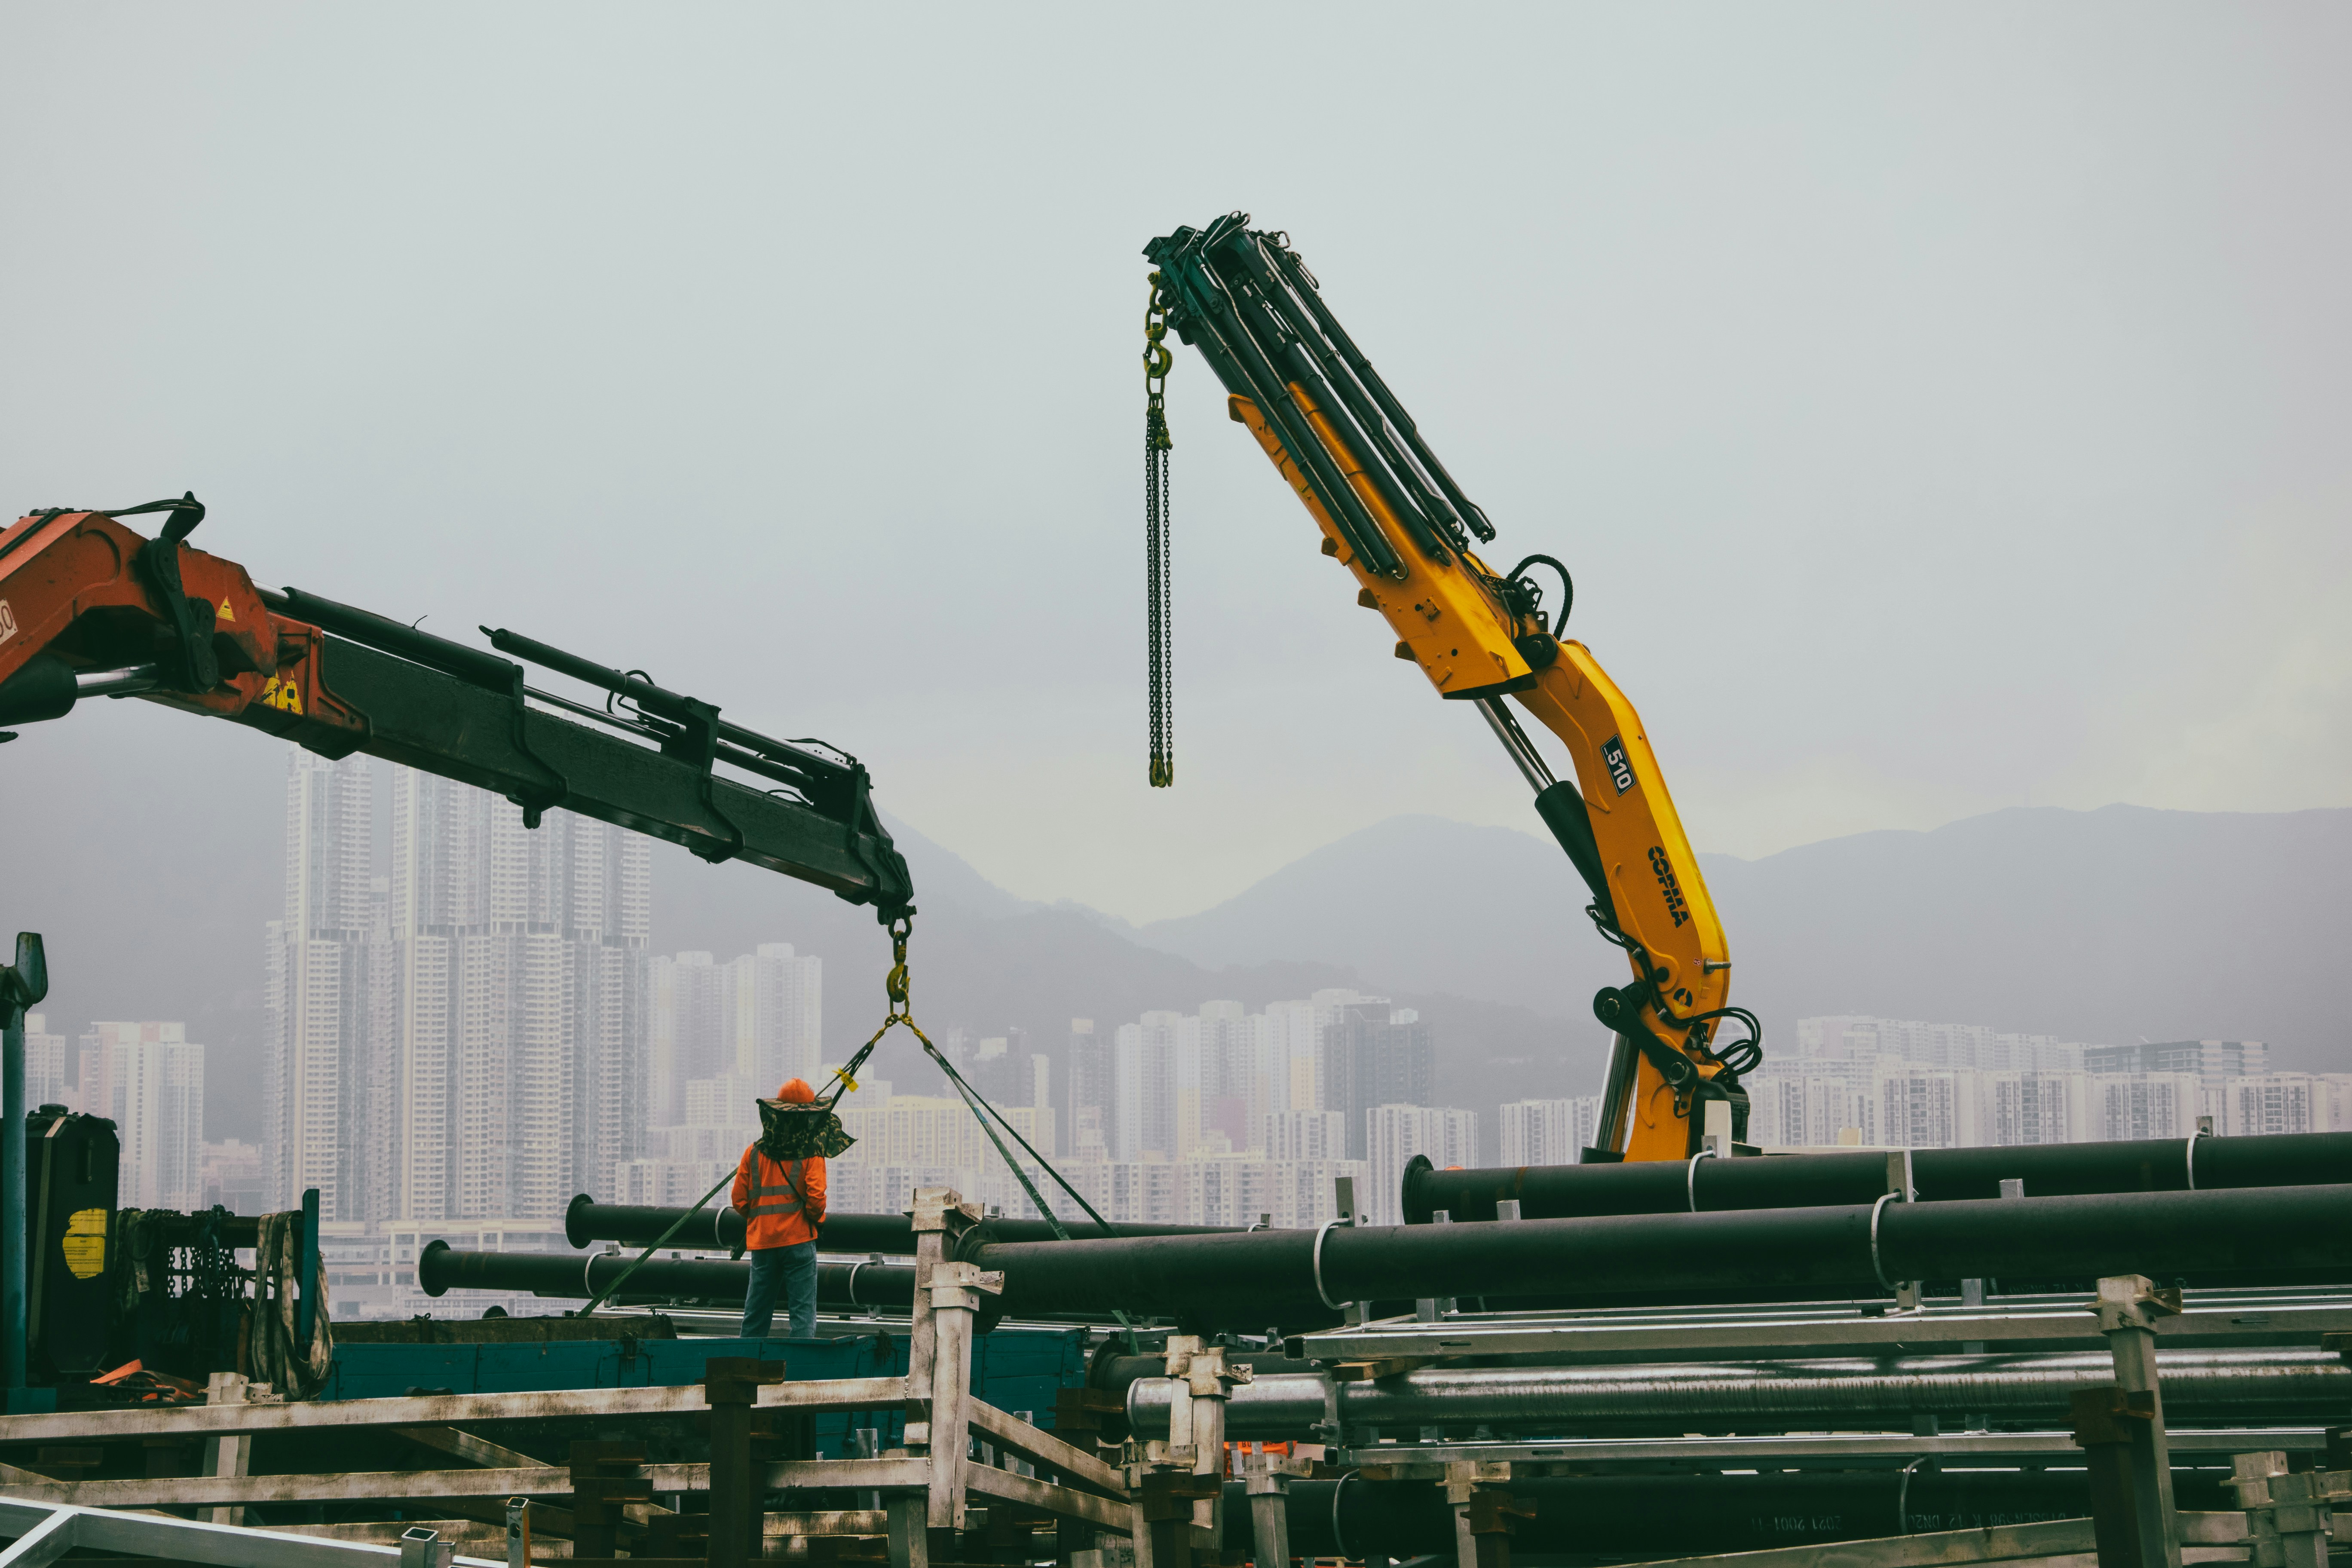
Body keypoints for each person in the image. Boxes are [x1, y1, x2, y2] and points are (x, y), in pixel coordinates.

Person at [732, 1077, 828, 1338]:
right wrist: (813, 1219)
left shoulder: (753, 1153)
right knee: (802, 1316)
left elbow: (739, 1201)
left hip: (763, 1243)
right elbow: (817, 1199)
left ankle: (746, 1369)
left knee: (756, 1316)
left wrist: (763, 1222)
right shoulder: (812, 1152)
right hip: (799, 1241)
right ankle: (800, 1374)